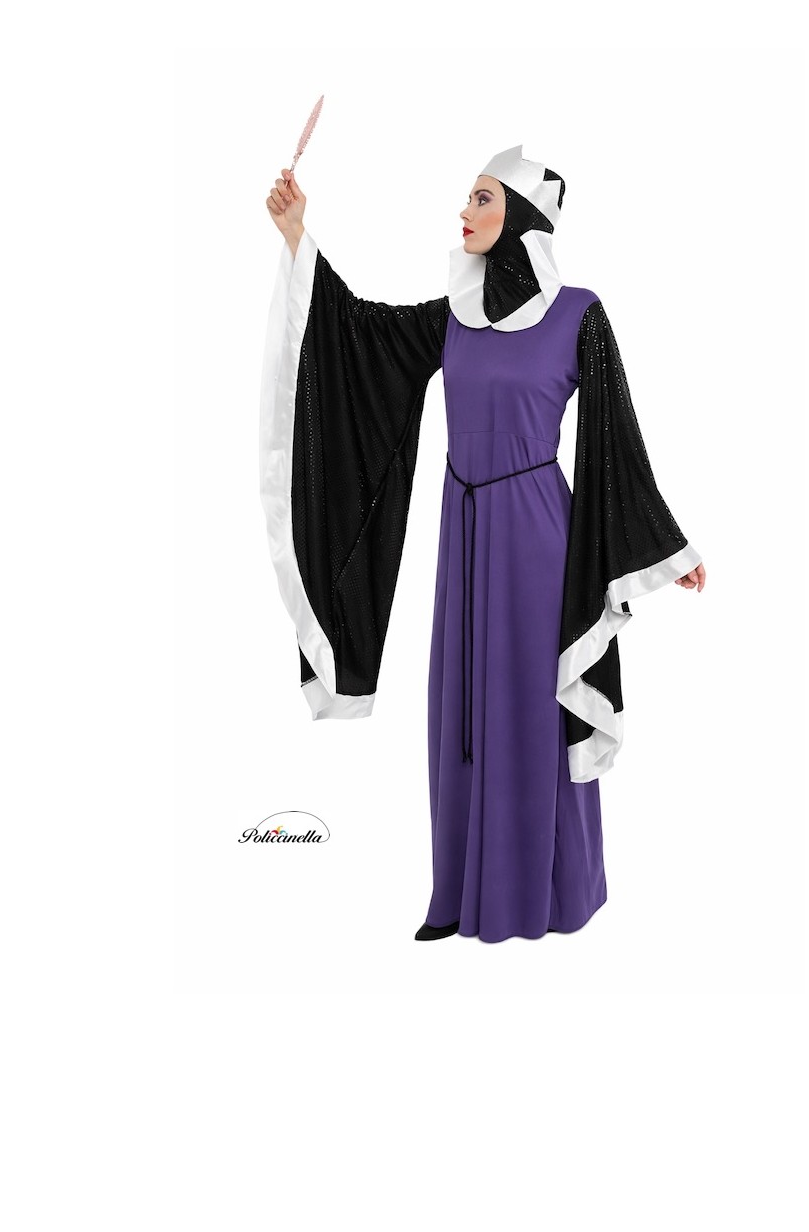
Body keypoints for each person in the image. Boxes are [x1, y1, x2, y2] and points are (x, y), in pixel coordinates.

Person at [261, 144, 705, 943]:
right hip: (463, 534)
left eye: (481, 199)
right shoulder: (455, 318)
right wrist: (299, 234)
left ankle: (546, 895)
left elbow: (616, 435)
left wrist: (662, 546)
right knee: (463, 706)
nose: (463, 213)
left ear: (521, 217)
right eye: (467, 199)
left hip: (538, 541)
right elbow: (359, 337)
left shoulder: (578, 314)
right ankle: (465, 893)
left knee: (531, 707)